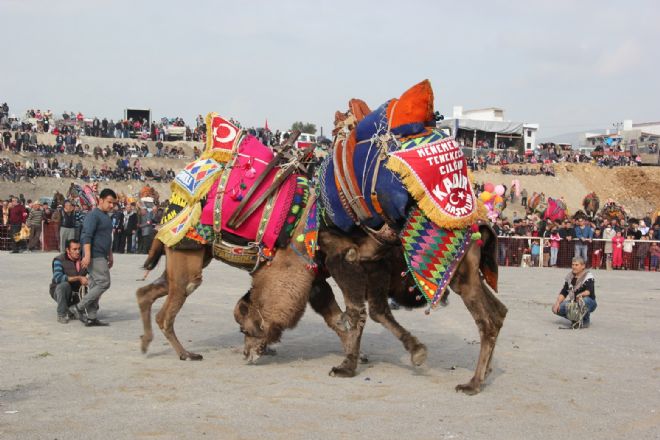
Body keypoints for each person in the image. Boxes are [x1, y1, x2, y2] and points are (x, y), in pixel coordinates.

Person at [69, 188, 116, 326]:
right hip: (95, 255)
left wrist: (110, 254)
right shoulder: (93, 215)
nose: (112, 205)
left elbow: (107, 238)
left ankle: (91, 317)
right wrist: (87, 255)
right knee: (104, 282)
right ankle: (78, 307)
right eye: (109, 202)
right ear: (100, 200)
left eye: (113, 203)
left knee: (95, 284)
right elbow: (86, 236)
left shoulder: (106, 217)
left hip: (103, 254)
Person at [552, 256, 597, 328]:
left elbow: (589, 291)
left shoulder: (588, 276)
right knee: (556, 308)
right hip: (574, 302)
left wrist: (581, 295)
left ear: (583, 266)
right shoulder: (570, 277)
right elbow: (564, 292)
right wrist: (557, 302)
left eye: (576, 265)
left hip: (589, 301)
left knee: (583, 301)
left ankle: (585, 321)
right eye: (573, 265)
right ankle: (576, 319)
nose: (574, 267)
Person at [50, 239, 88, 323]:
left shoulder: (84, 259)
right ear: (68, 250)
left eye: (79, 249)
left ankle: (73, 310)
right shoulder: (59, 260)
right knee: (63, 285)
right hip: (61, 291)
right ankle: (61, 314)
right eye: (74, 249)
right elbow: (58, 278)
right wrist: (79, 278)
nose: (78, 252)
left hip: (78, 291)